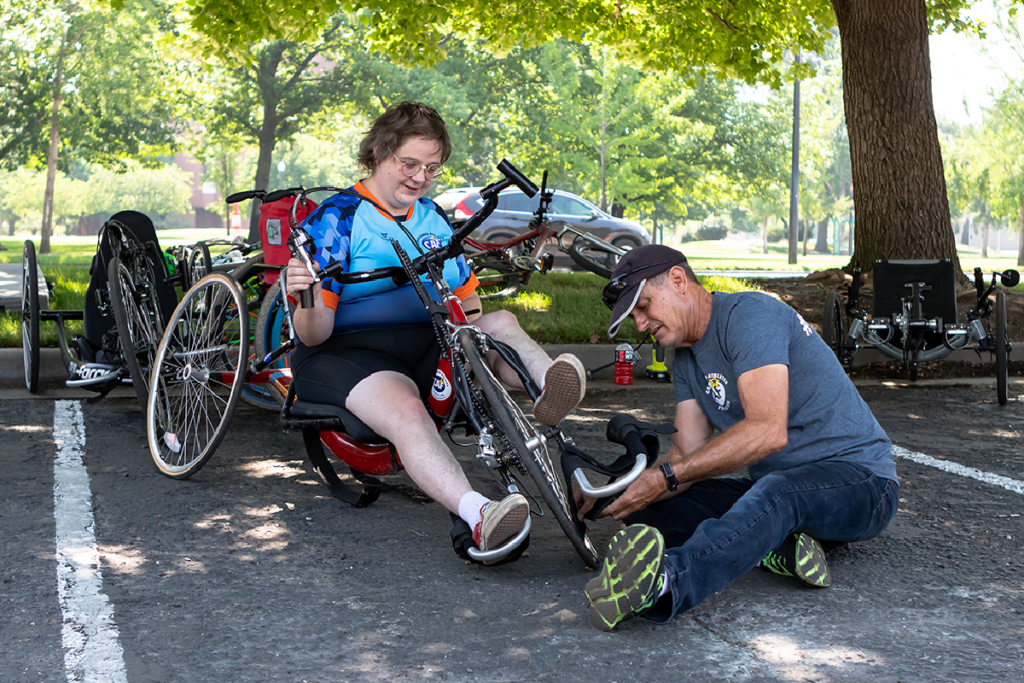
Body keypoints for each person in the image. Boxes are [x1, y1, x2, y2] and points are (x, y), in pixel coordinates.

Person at [283, 102, 587, 556]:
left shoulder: (432, 218)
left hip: (427, 339)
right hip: (346, 351)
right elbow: (314, 334)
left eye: (432, 168)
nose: (420, 177)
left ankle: (549, 387)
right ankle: (479, 515)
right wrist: (305, 292)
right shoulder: (338, 218)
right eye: (409, 164)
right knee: (408, 411)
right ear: (379, 152)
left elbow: (470, 305)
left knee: (499, 322)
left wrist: (471, 344)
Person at [580, 244, 899, 631]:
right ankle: (779, 546)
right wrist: (612, 491)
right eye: (635, 317)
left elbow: (768, 432)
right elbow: (686, 455)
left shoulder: (749, 316)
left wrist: (665, 478)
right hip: (781, 490)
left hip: (863, 484)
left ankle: (665, 583)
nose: (641, 325)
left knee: (776, 493)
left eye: (644, 306)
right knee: (644, 505)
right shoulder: (685, 356)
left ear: (678, 280)